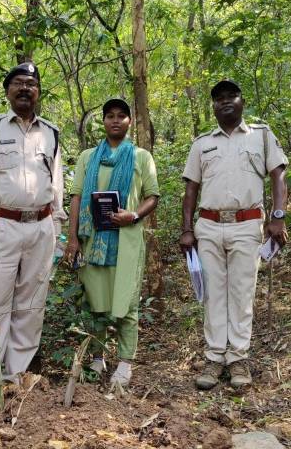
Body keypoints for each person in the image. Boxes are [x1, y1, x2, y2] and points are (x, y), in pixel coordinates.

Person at [180, 78, 288, 391]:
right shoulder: (202, 143)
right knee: (213, 293)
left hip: (247, 224)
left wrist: (278, 217)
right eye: (219, 98)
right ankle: (215, 357)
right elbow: (191, 189)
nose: (225, 101)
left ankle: (238, 357)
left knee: (241, 293)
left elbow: (278, 176)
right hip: (209, 226)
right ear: (213, 106)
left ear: (242, 102)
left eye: (231, 96)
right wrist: (187, 229)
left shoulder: (261, 136)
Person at [0, 62, 65, 381]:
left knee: (31, 304)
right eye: (18, 83)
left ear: (38, 92)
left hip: (41, 227)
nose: (25, 89)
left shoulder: (50, 133)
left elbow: (57, 184)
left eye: (31, 84)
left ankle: (16, 373)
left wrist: (57, 227)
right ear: (8, 91)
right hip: (2, 226)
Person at [65, 98, 159, 388]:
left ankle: (125, 362)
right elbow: (76, 197)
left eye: (121, 116)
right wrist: (72, 239)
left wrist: (133, 215)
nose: (115, 120)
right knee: (95, 302)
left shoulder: (141, 157)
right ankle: (97, 357)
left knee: (126, 302)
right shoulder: (87, 157)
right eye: (110, 116)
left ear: (129, 121)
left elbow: (152, 196)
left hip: (126, 241)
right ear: (103, 121)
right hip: (92, 240)